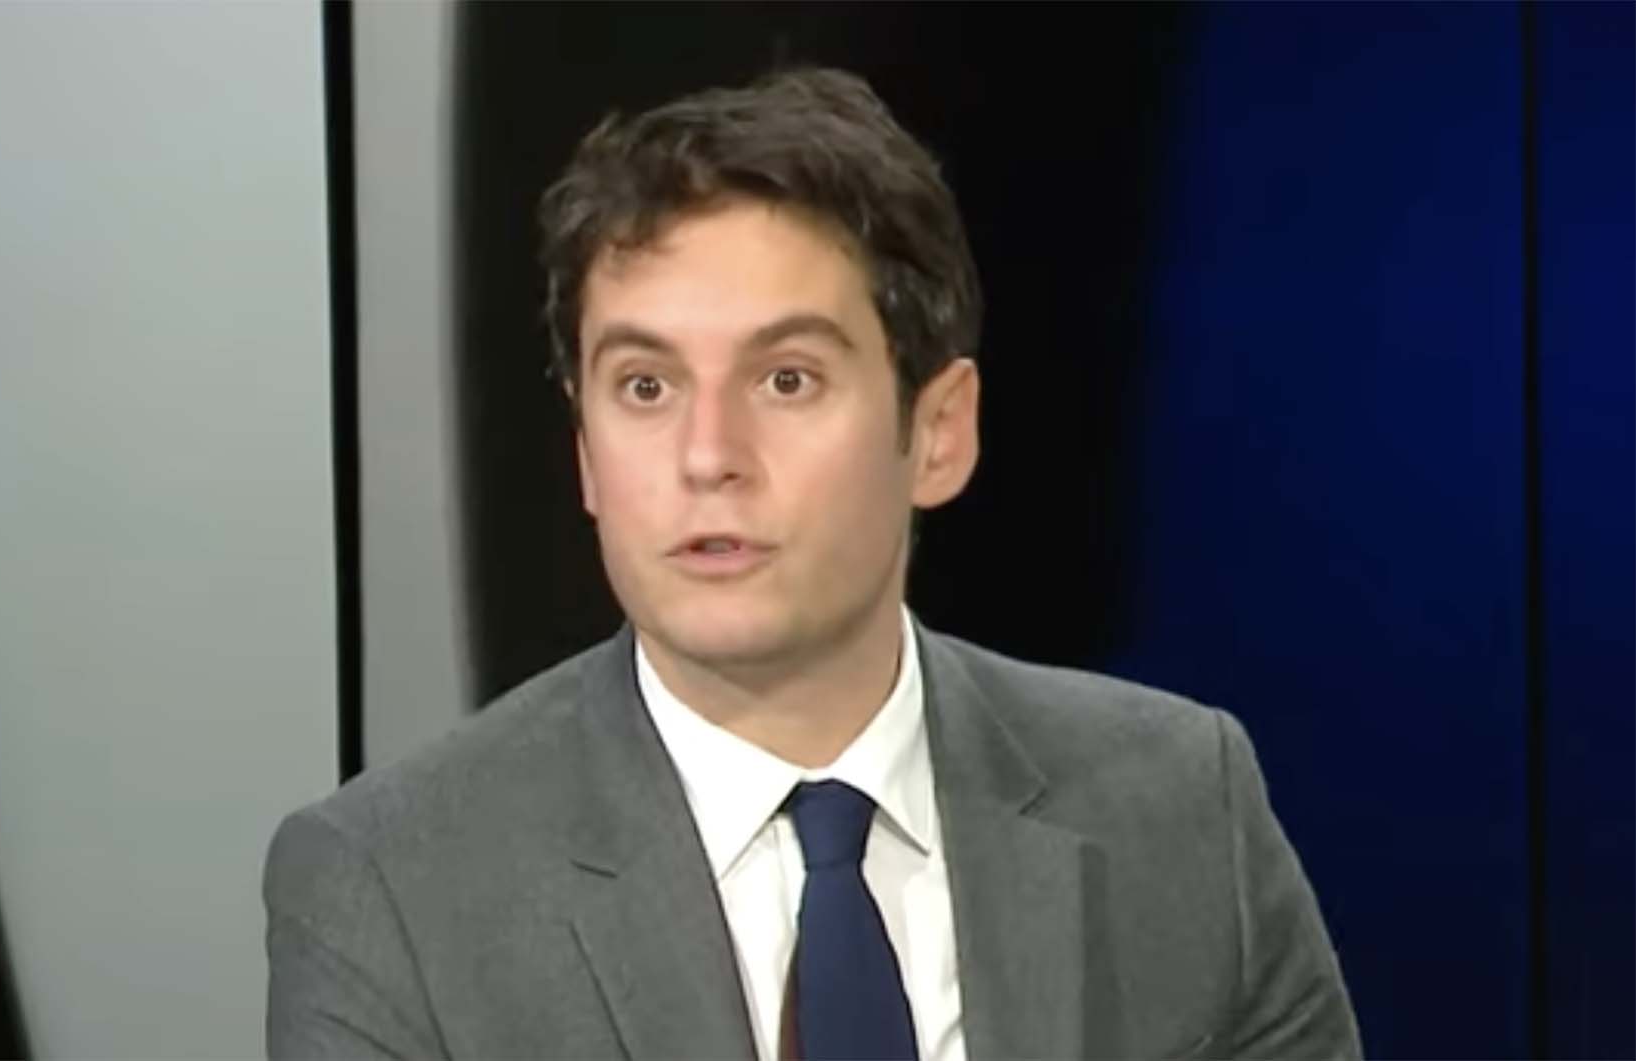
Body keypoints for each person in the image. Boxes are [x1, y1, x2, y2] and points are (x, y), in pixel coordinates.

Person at [263, 66, 1361, 1060]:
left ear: (939, 431)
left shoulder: (1180, 806)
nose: (707, 456)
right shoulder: (392, 889)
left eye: (785, 379)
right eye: (645, 386)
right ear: (586, 452)